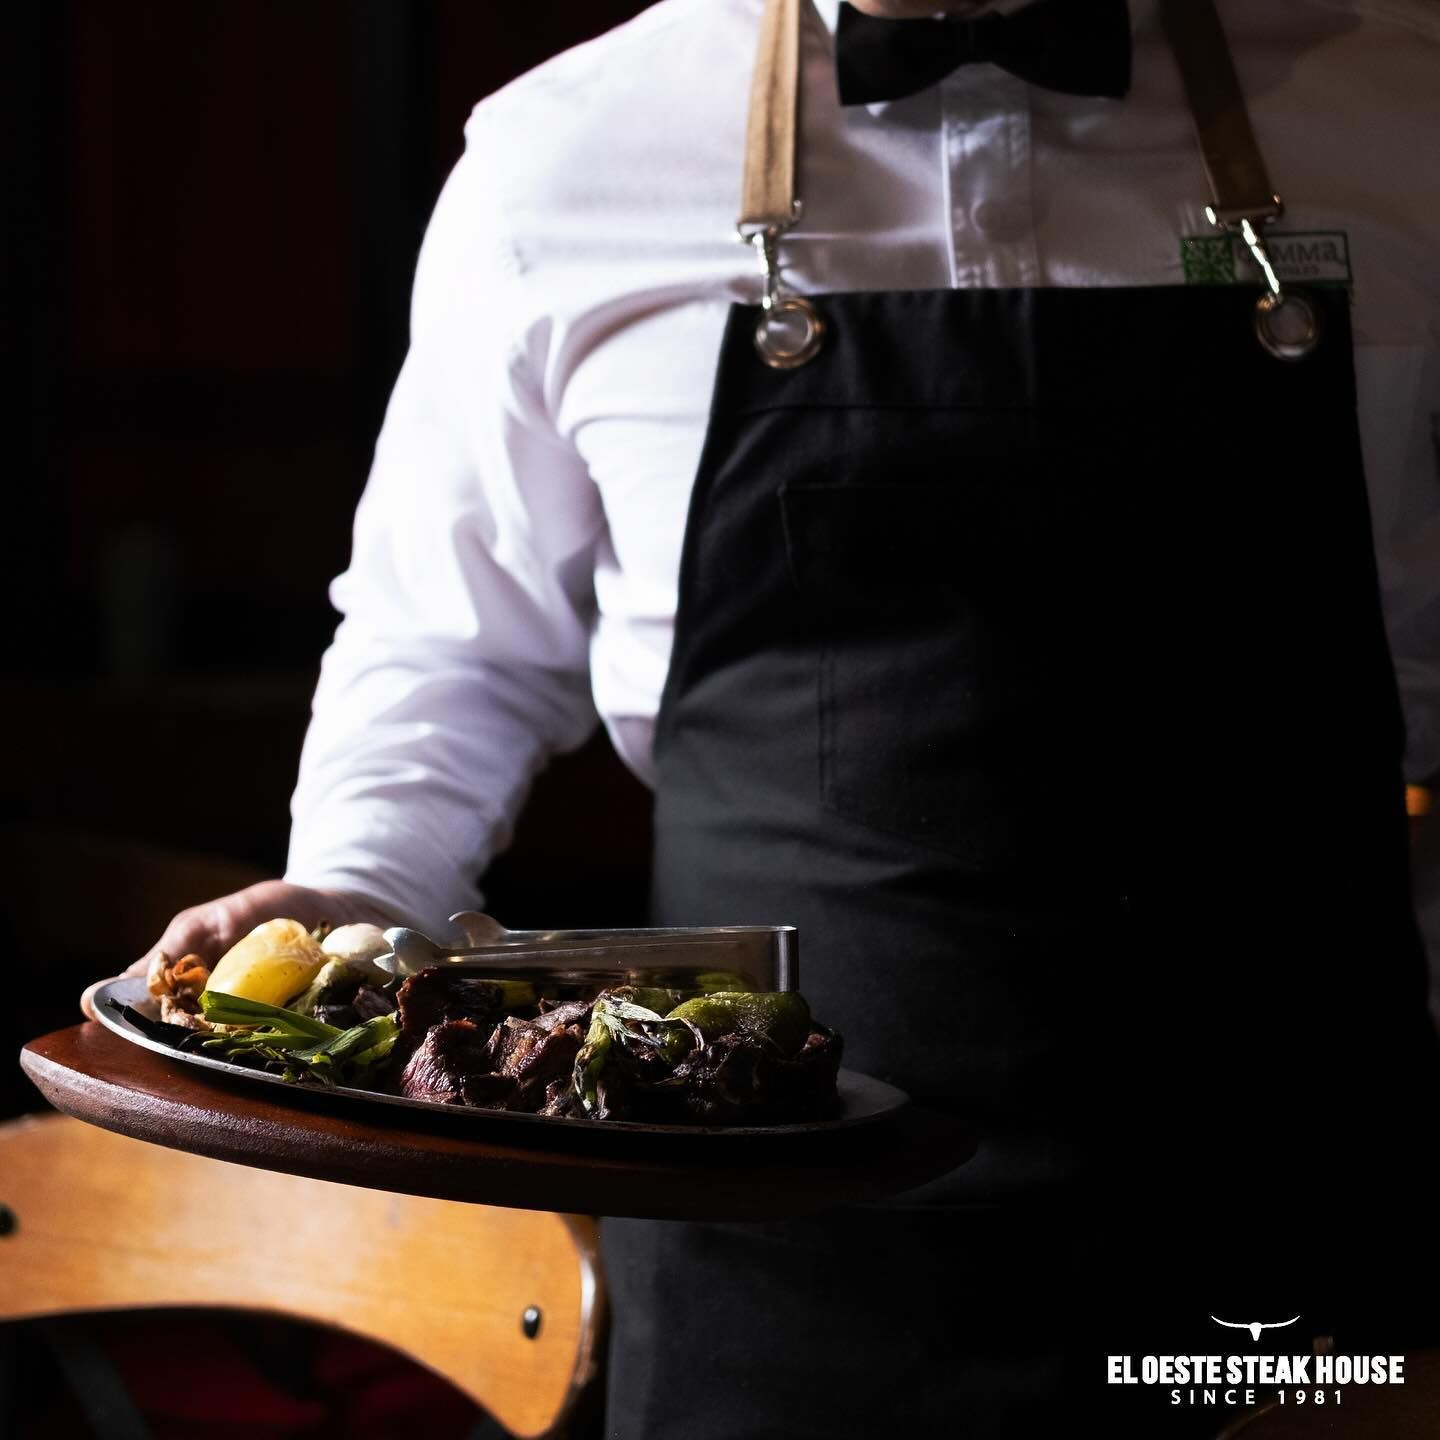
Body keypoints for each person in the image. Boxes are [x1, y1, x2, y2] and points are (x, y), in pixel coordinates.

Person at [142, 0, 1440, 1432]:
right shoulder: (561, 158)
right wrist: (361, 885)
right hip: (764, 1228)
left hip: (1289, 1188)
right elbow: (453, 643)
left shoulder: (1401, 109)